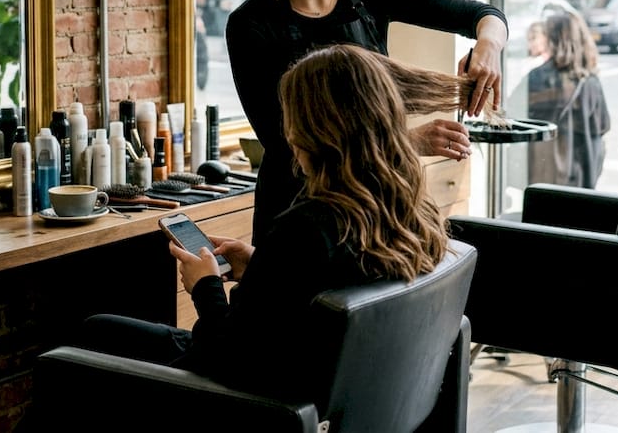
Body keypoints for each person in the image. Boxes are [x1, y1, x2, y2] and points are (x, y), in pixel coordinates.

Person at [74, 44, 470, 400]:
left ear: (315, 130)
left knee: (70, 365)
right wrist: (259, 267)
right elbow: (309, 298)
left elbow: (224, 358)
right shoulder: (410, 214)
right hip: (323, 387)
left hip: (258, 402)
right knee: (100, 329)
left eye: (291, 116)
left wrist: (205, 285)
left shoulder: (307, 228)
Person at [225, 0, 508, 242]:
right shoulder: (251, 26)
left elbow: (484, 15)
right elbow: (292, 147)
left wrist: (488, 47)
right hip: (300, 219)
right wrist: (408, 141)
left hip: (379, 206)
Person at [526, 12, 611, 188]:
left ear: (553, 40)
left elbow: (515, 117)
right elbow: (603, 125)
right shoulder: (591, 81)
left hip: (545, 176)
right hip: (581, 177)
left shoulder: (537, 78)